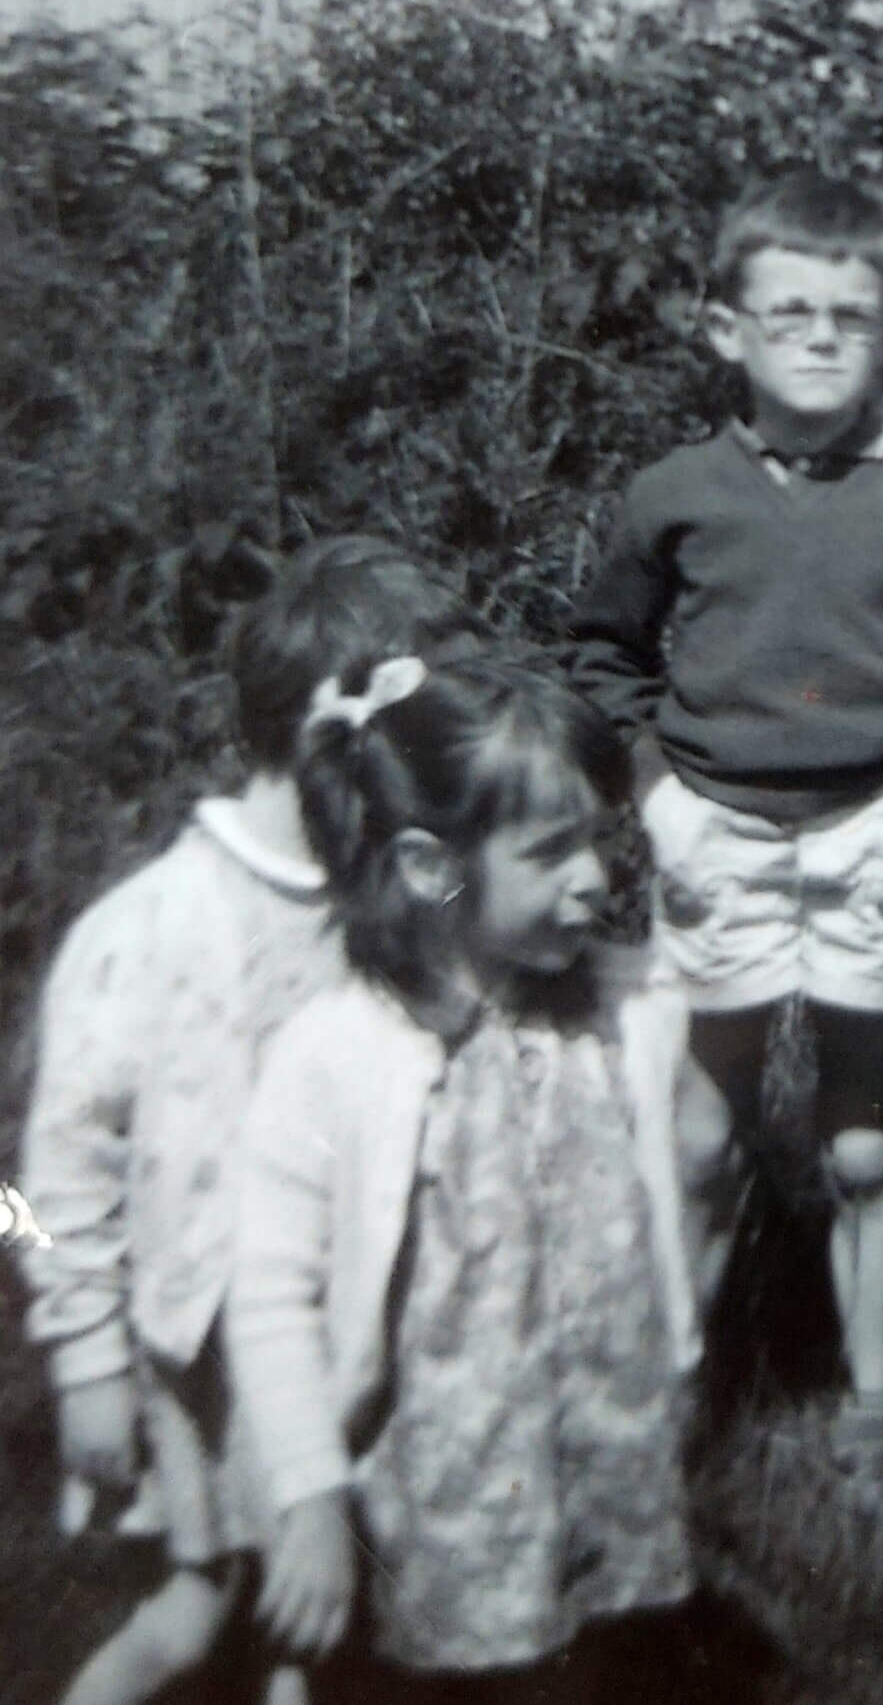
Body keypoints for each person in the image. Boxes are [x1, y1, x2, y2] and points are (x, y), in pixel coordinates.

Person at [566, 165, 883, 1459]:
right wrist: (657, 791)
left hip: (876, 839)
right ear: (728, 329)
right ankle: (670, 1398)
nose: (822, 341)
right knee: (705, 1135)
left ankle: (873, 1411)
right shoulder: (676, 492)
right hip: (716, 834)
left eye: (850, 318)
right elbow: (605, 659)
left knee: (864, 1150)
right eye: (790, 316)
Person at [21, 539, 479, 1705]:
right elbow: (56, 1165)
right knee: (195, 1607)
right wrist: (84, 1358)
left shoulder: (384, 902)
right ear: (340, 719)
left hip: (345, 1324)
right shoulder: (157, 923)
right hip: (204, 1342)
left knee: (311, 1616)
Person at [227, 657, 699, 1697]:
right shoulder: (339, 1053)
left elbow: (683, 1152)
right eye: (549, 852)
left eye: (597, 837)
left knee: (593, 1663)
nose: (596, 877)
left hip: (602, 1455)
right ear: (431, 867)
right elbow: (268, 1292)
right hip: (446, 1489)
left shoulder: (616, 1012)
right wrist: (305, 1493)